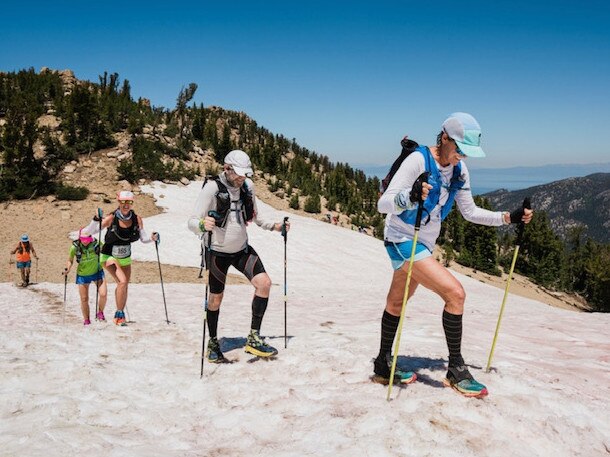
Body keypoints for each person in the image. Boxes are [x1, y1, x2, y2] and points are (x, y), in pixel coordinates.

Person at [375, 112, 533, 397]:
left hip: (423, 243)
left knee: (397, 302)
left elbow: (470, 212)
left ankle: (382, 363)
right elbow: (382, 204)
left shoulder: (460, 170)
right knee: (455, 294)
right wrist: (408, 197)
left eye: (467, 152)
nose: (463, 156)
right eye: (460, 148)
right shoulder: (418, 160)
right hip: (402, 237)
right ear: (444, 137)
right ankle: (456, 369)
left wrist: (508, 217)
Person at [188, 149, 290, 362]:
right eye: (239, 173)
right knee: (215, 298)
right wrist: (201, 224)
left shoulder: (247, 187)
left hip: (241, 249)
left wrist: (277, 227)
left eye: (245, 173)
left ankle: (253, 338)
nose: (242, 177)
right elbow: (192, 221)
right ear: (227, 168)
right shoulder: (212, 188)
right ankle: (213, 342)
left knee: (264, 284)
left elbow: (257, 217)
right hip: (216, 252)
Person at [80, 191, 158, 326]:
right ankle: (119, 316)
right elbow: (90, 232)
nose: (126, 205)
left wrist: (152, 238)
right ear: (119, 202)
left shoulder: (137, 219)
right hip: (108, 256)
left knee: (124, 285)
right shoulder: (111, 218)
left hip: (125, 258)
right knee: (122, 282)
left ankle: (119, 313)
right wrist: (95, 219)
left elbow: (143, 238)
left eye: (129, 202)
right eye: (123, 202)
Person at [63, 227, 108, 325]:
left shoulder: (96, 243)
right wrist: (68, 269)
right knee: (84, 299)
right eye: (83, 239)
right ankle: (86, 320)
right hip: (83, 275)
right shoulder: (75, 247)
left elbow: (105, 253)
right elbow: (70, 260)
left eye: (87, 239)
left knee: (103, 294)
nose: (85, 242)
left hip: (97, 272)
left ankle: (100, 312)